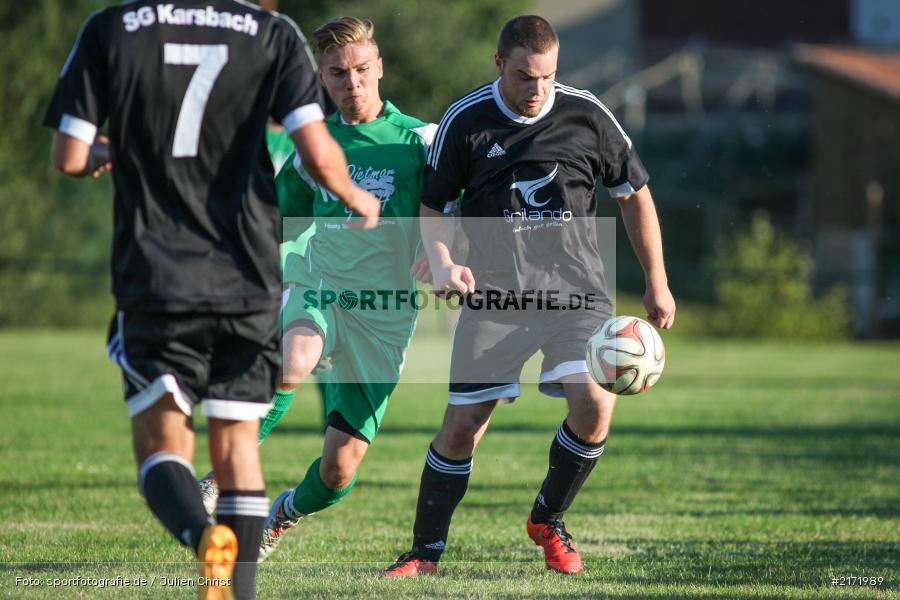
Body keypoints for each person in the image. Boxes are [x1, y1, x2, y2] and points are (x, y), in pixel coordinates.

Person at [44, 2, 380, 598]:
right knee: (238, 445)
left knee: (162, 446)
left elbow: (69, 156)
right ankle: (240, 590)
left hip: (156, 272)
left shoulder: (112, 28)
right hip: (246, 276)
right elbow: (318, 151)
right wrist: (356, 196)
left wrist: (106, 154)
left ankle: (204, 538)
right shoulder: (272, 34)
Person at [384, 15, 676, 577]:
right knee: (464, 424)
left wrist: (656, 280)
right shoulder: (465, 120)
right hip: (497, 295)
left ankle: (548, 519)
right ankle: (424, 553)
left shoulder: (587, 114)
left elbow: (634, 195)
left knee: (595, 405)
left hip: (577, 294)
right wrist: (442, 262)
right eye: (524, 76)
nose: (537, 89)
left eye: (547, 76)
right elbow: (435, 207)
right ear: (500, 64)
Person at [195, 16, 438, 562]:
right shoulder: (316, 146)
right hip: (321, 282)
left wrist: (439, 251)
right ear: (322, 79)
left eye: (361, 70)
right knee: (294, 361)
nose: (352, 82)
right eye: (338, 74)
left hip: (386, 311)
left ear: (380, 68)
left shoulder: (421, 141)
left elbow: (455, 210)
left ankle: (284, 513)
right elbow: (277, 221)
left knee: (338, 470)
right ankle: (221, 476)